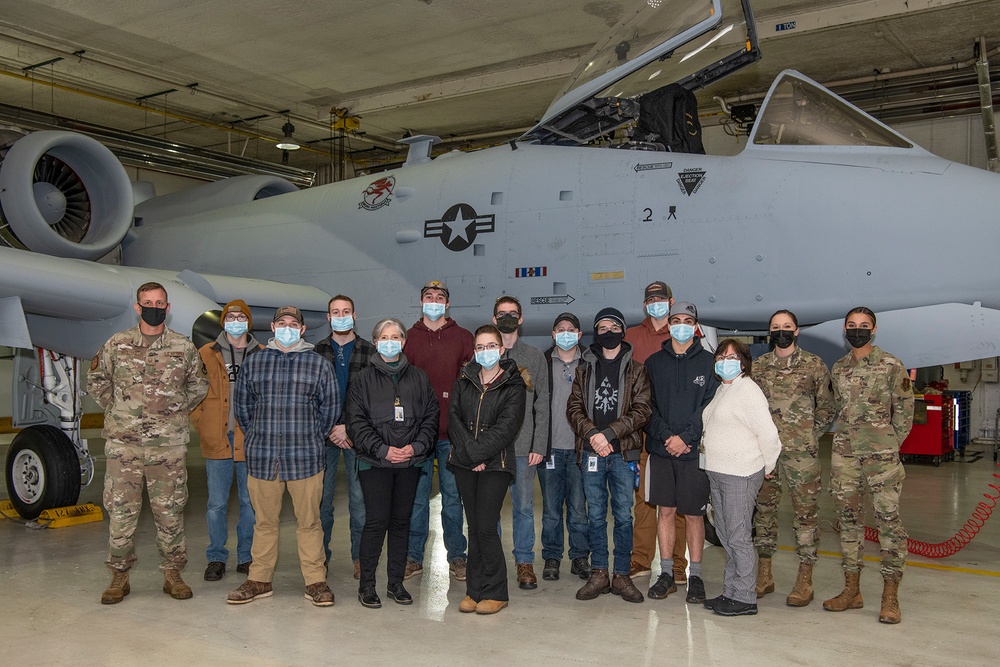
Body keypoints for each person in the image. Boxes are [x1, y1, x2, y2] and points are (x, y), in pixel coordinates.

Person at [87, 281, 208, 604]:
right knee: (121, 512)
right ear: (138, 307)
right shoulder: (117, 344)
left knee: (170, 512)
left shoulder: (182, 347)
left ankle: (173, 573)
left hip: (167, 446)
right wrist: (119, 408)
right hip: (123, 445)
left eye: (159, 302)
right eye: (147, 302)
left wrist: (173, 411)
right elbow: (97, 379)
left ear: (167, 309)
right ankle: (119, 576)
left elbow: (198, 386)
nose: (154, 307)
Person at [227, 306, 340, 607]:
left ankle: (315, 582)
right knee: (264, 523)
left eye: (293, 323)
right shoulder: (255, 362)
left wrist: (313, 436)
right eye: (281, 323)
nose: (287, 327)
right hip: (263, 457)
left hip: (305, 457)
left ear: (302, 330)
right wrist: (256, 436)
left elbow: (329, 409)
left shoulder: (318, 364)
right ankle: (259, 580)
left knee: (310, 522)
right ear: (273, 327)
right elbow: (243, 408)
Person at [824, 307, 913, 624]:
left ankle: (890, 596)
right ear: (844, 330)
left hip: (881, 458)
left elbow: (904, 410)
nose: (857, 330)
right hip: (845, 455)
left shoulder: (891, 364)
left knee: (888, 521)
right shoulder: (839, 368)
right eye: (851, 325)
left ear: (873, 330)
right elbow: (838, 409)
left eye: (863, 326)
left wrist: (888, 444)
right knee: (848, 521)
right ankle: (851, 590)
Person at [345, 318, 438, 609]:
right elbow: (356, 423)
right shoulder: (361, 380)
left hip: (410, 463)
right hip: (375, 463)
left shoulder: (419, 378)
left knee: (401, 523)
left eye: (395, 336)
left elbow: (430, 418)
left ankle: (396, 583)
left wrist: (415, 447)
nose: (390, 341)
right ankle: (367, 585)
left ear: (403, 341)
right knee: (375, 522)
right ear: (375, 342)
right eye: (384, 337)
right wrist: (383, 449)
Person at [567, 308, 651, 604]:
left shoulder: (637, 370)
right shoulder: (583, 369)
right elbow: (574, 409)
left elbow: (642, 410)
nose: (607, 331)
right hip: (592, 452)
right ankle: (599, 573)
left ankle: (622, 575)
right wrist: (593, 435)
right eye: (601, 327)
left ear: (622, 330)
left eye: (613, 326)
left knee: (624, 516)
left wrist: (610, 434)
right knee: (596, 516)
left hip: (622, 453)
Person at [752, 310, 836, 606]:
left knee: (806, 515)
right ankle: (764, 574)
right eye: (776, 327)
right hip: (766, 453)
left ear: (797, 331)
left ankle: (805, 578)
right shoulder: (759, 367)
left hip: (802, 455)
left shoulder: (813, 365)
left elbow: (827, 406)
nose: (782, 331)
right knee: (763, 512)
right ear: (769, 331)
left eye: (787, 327)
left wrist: (809, 434)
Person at [447, 325, 526, 615]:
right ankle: (474, 590)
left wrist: (477, 454)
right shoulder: (465, 378)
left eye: (490, 346)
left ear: (502, 349)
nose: (485, 352)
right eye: (480, 347)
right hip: (465, 463)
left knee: (486, 527)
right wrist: (470, 456)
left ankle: (496, 592)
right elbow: (453, 418)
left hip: (497, 465)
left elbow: (507, 428)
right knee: (474, 526)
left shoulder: (513, 384)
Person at [643, 301, 718, 605]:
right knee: (666, 512)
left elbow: (710, 407)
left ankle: (696, 576)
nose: (682, 325)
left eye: (688, 320)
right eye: (676, 320)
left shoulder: (709, 363)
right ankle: (665, 573)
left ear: (696, 326)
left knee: (695, 515)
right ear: (669, 324)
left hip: (693, 451)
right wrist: (667, 436)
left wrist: (686, 437)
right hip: (662, 450)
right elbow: (647, 406)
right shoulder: (653, 363)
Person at [701, 339, 782, 617]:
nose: (725, 361)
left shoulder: (748, 390)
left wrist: (768, 465)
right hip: (719, 472)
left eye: (732, 356)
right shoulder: (725, 389)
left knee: (738, 536)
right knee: (726, 535)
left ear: (744, 362)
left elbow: (769, 434)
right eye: (721, 356)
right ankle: (731, 591)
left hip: (741, 473)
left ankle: (745, 597)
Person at [404, 280, 473, 580]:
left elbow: (470, 385)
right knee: (417, 499)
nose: (434, 301)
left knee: (452, 497)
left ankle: (457, 556)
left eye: (440, 297)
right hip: (417, 436)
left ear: (447, 304)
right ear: (421, 302)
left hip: (451, 435)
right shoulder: (407, 338)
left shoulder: (463, 338)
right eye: (429, 296)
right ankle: (412, 557)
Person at [191, 299, 263, 582]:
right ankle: (216, 557)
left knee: (249, 503)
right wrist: (201, 423)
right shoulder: (205, 353)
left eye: (241, 316)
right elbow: (190, 392)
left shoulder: (262, 353)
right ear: (223, 321)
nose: (236, 321)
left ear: (248, 321)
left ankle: (246, 557)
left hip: (250, 439)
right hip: (217, 437)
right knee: (216, 504)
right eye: (231, 316)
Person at [624, 280, 687, 583]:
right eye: (651, 299)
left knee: (679, 504)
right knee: (645, 501)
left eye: (661, 298)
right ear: (645, 304)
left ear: (671, 302)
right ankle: (640, 560)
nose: (656, 303)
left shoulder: (684, 334)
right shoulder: (631, 337)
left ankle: (677, 564)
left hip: (680, 438)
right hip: (646, 436)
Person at [315, 294, 377, 580]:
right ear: (328, 317)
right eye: (335, 312)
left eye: (346, 311)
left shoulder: (369, 351)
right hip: (323, 438)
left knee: (360, 503)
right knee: (321, 503)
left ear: (355, 315)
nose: (341, 315)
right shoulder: (317, 352)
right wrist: (331, 427)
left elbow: (374, 400)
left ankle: (360, 558)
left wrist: (349, 429)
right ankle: (319, 558)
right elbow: (310, 398)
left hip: (358, 438)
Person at [493, 295, 549, 589]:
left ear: (521, 319)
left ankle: (524, 562)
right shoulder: (484, 353)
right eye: (502, 314)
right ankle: (491, 563)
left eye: (512, 314)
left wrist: (539, 444)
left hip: (523, 446)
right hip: (491, 449)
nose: (507, 319)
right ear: (494, 320)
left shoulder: (534, 356)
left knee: (524, 508)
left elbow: (542, 404)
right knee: (489, 509)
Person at [538, 312, 591, 582]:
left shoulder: (590, 363)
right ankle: (552, 557)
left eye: (572, 329)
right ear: (553, 334)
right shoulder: (543, 362)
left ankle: (580, 556)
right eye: (561, 329)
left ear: (580, 335)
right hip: (550, 449)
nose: (566, 333)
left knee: (580, 508)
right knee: (550, 508)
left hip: (581, 449)